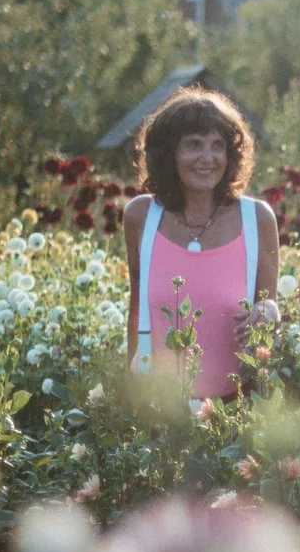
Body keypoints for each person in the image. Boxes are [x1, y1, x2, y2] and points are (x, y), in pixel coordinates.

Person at [121, 86, 282, 401]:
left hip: (234, 413)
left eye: (217, 146)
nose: (207, 159)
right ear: (169, 154)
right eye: (193, 145)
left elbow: (269, 308)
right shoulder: (141, 217)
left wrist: (269, 313)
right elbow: (137, 312)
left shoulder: (256, 220)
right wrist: (131, 400)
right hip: (161, 412)